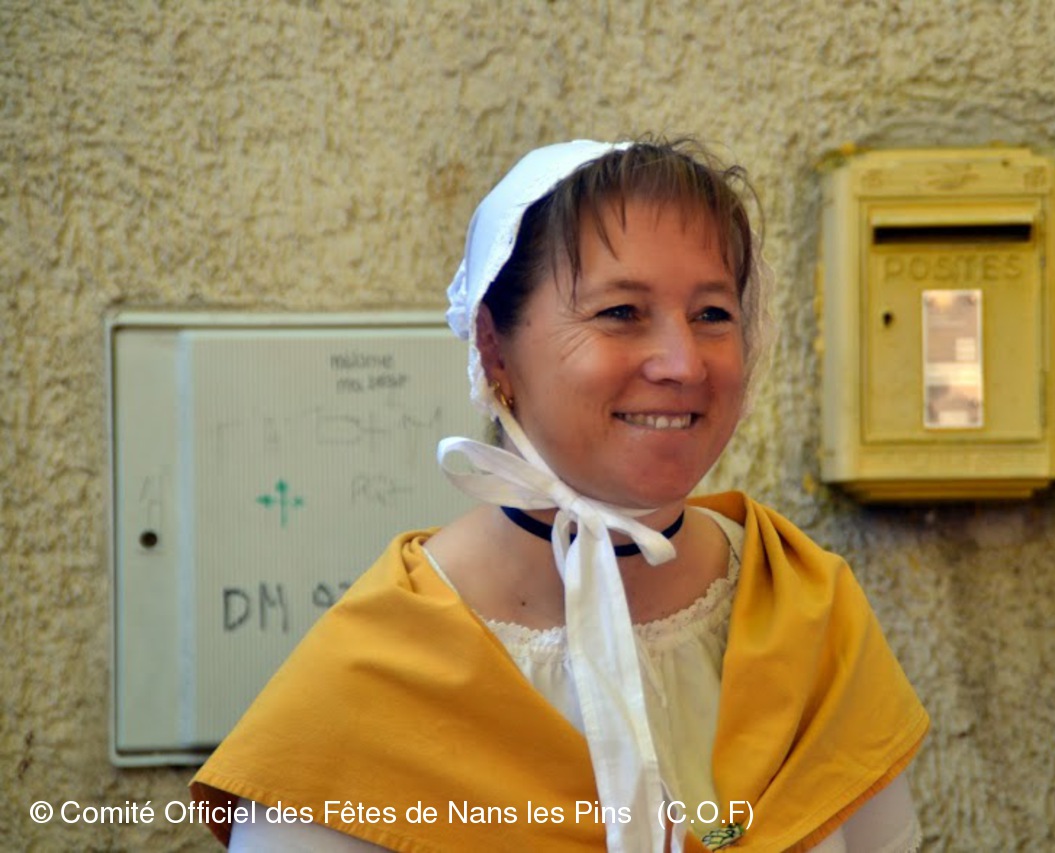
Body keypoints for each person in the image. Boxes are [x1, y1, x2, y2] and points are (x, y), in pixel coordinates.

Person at [191, 137, 929, 852]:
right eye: (620, 312)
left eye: (712, 313)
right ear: (493, 347)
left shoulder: (803, 612)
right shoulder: (367, 688)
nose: (682, 363)